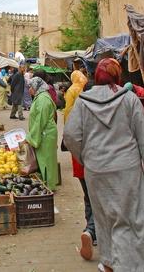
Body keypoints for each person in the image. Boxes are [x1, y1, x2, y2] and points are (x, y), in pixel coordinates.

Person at [63, 58, 144, 272]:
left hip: (96, 170)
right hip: (126, 169)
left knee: (104, 217)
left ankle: (109, 261)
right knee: (132, 218)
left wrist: (86, 158)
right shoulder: (128, 99)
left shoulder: (83, 101)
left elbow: (71, 136)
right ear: (118, 76)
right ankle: (135, 264)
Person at [63, 70, 96, 260]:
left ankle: (89, 229)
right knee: (98, 197)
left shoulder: (74, 98)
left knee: (88, 196)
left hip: (81, 161)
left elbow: (70, 130)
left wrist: (78, 154)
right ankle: (93, 231)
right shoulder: (100, 112)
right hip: (96, 164)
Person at [26, 76, 59, 190]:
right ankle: (48, 183)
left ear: (36, 87)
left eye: (30, 87)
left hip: (46, 133)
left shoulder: (42, 99)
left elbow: (40, 120)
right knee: (45, 159)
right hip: (45, 132)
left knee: (46, 160)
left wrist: (31, 137)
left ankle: (49, 185)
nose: (29, 89)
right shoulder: (41, 96)